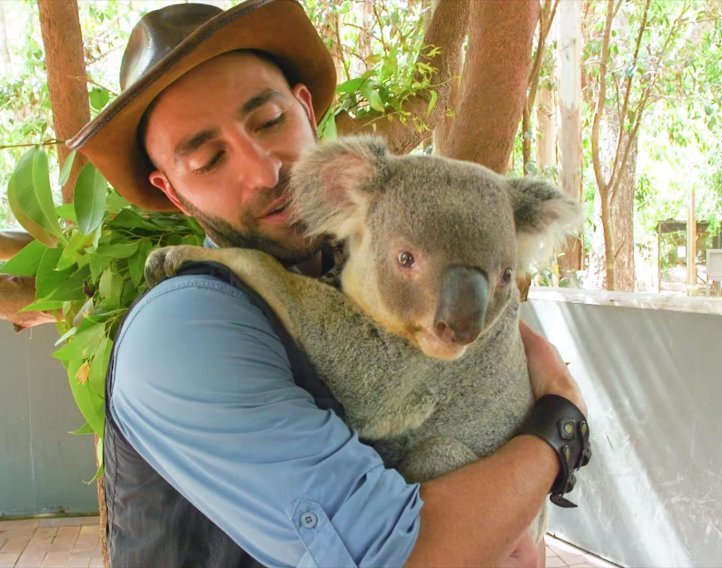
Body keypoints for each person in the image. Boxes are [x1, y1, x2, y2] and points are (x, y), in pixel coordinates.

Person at [69, 1, 589, 567]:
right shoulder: (184, 327)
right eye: (210, 158)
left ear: (306, 110)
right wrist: (559, 426)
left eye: (269, 123)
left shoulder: (360, 257)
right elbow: (409, 556)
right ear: (172, 192)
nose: (265, 170)